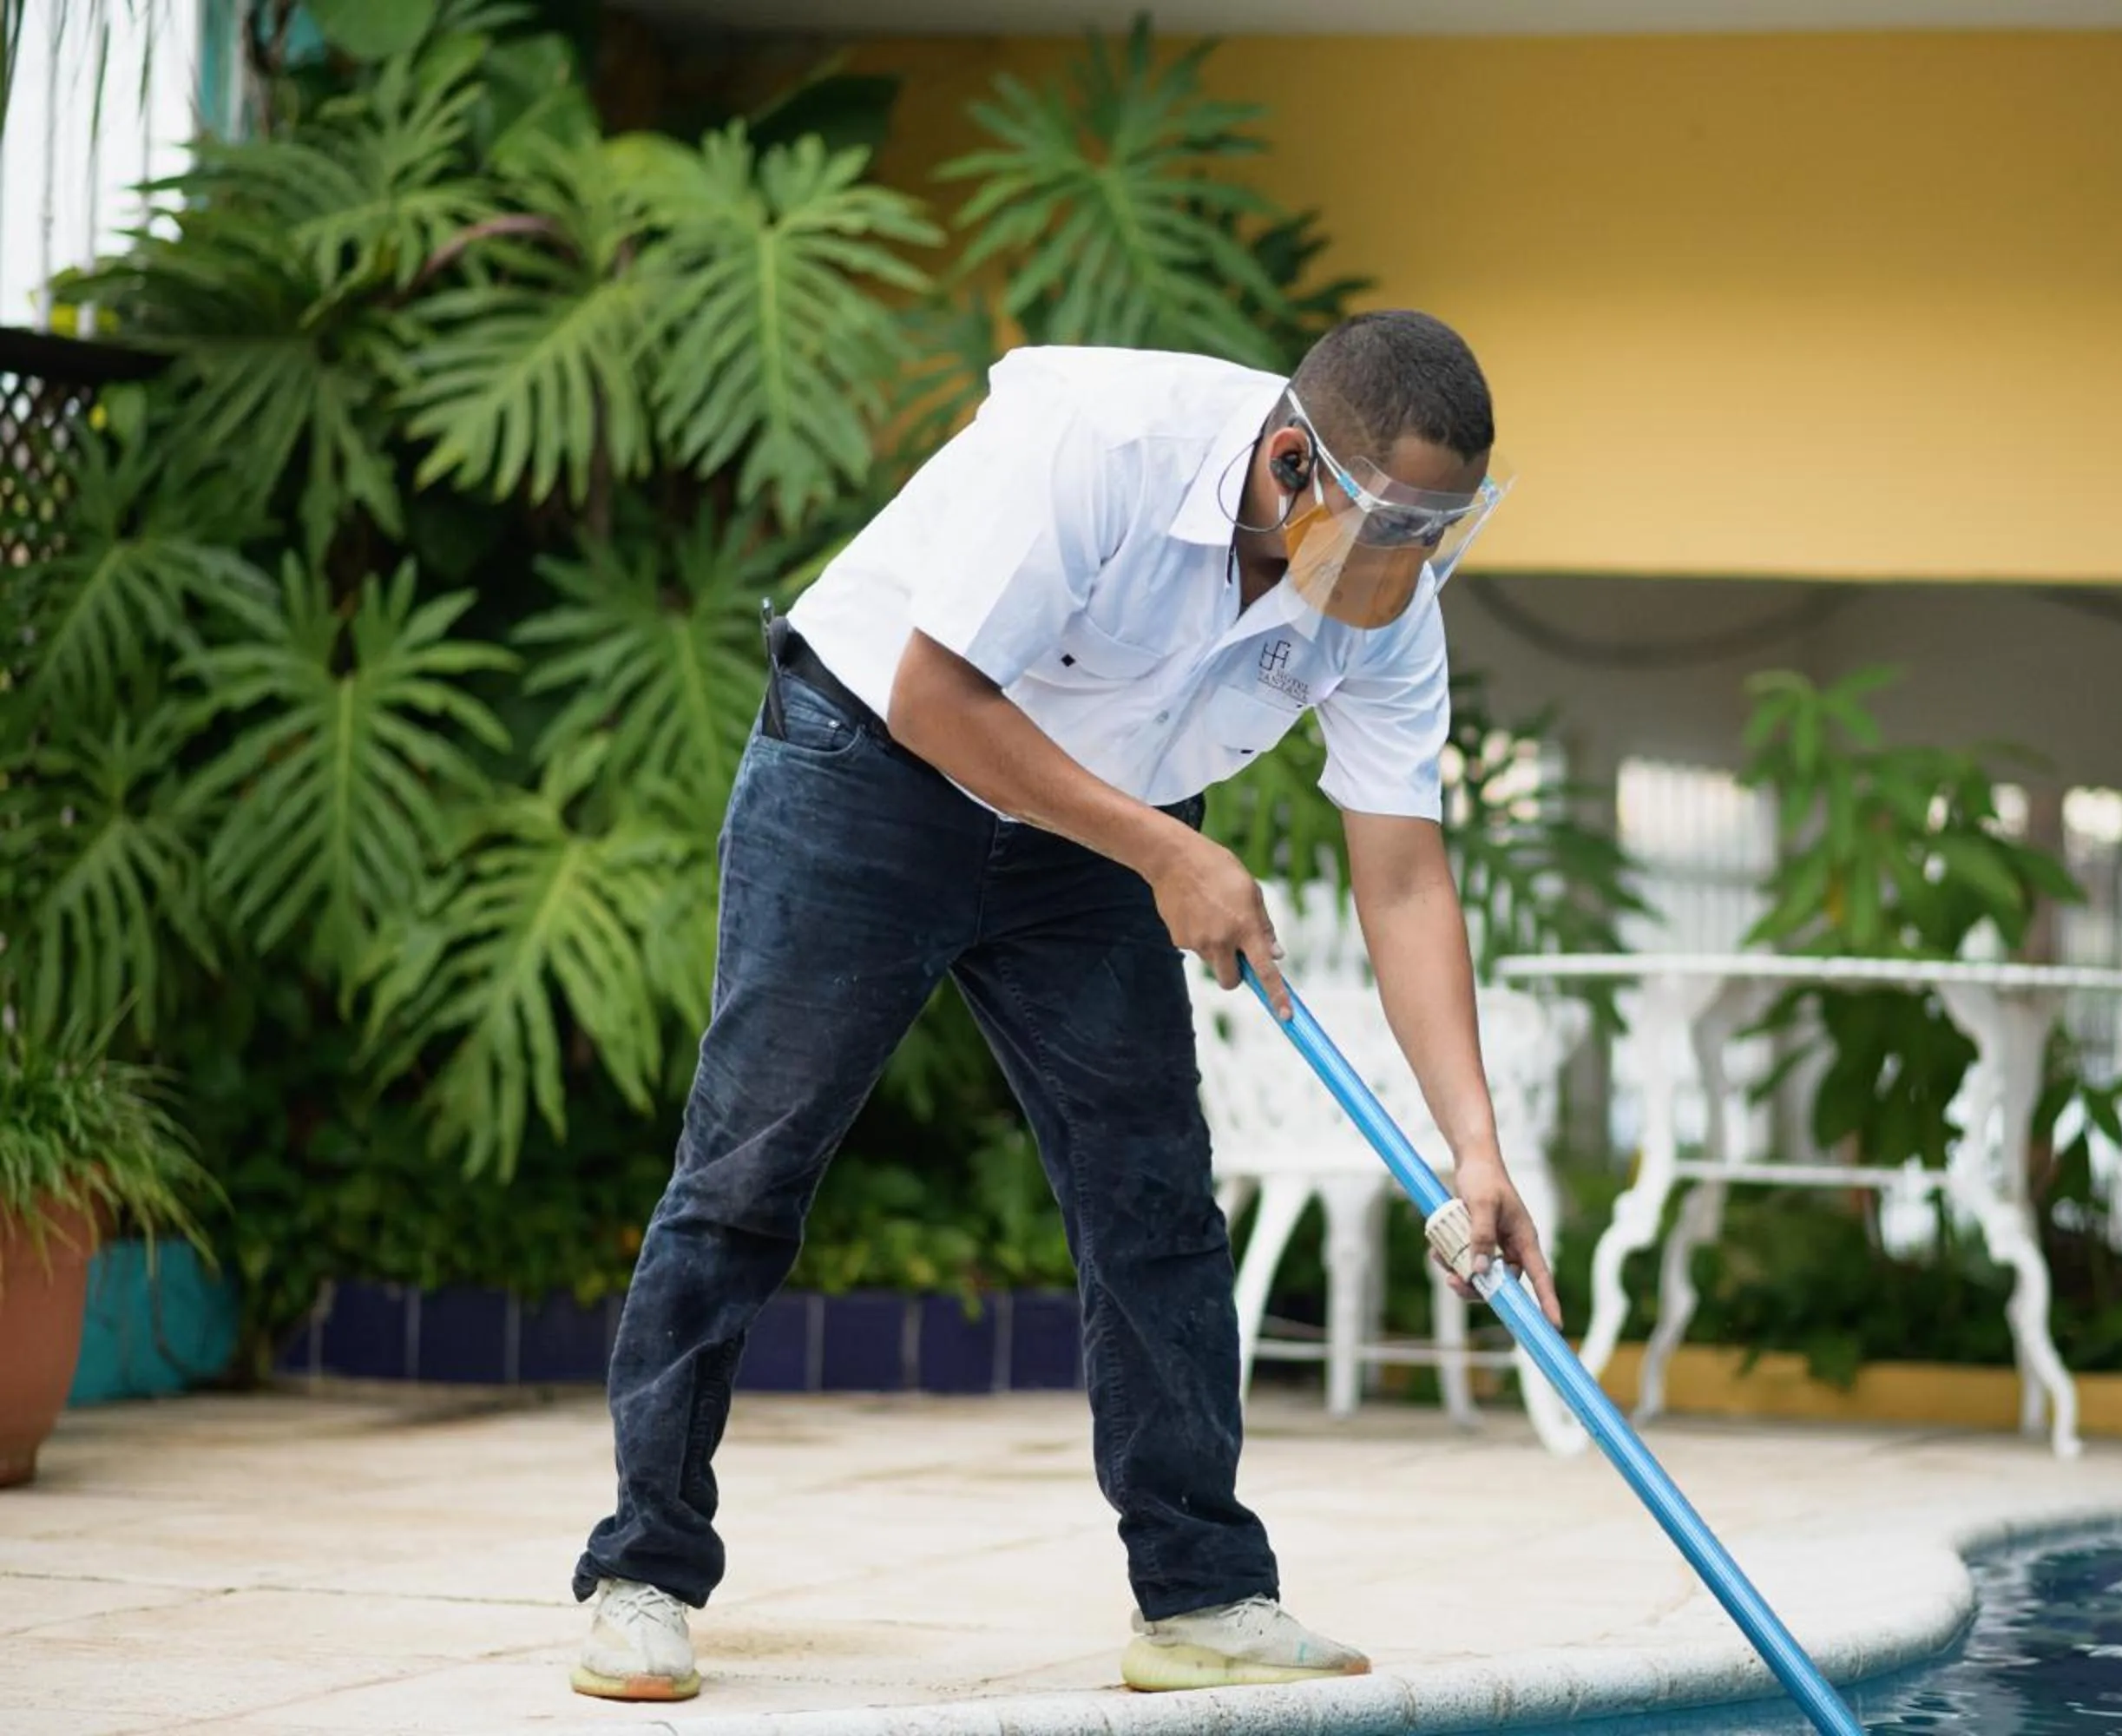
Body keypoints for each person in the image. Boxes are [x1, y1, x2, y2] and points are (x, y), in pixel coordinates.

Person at [568, 310, 1560, 1702]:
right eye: (1392, 526)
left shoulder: (1387, 611)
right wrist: (1170, 855)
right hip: (869, 767)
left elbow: (1402, 881)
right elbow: (935, 696)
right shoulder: (1099, 446)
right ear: (1293, 462)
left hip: (1094, 830)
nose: (1409, 568)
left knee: (1151, 1195)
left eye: (1439, 533)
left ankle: (1201, 1597)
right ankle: (642, 1575)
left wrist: (1476, 1150)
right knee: (747, 1171)